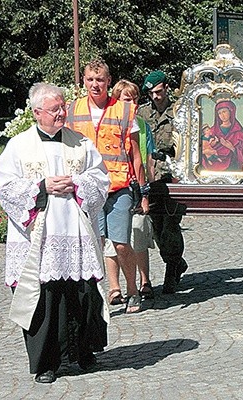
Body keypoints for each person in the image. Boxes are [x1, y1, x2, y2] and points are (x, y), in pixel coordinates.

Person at [0, 83, 110, 383]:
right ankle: (46, 363)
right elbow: (4, 185)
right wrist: (41, 187)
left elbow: (100, 178)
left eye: (63, 107)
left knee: (80, 294)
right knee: (43, 298)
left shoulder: (81, 144)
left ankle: (84, 352)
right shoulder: (19, 146)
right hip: (38, 237)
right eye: (55, 109)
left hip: (76, 234)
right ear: (37, 112)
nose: (62, 113)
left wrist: (79, 185)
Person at [65, 59, 149, 313]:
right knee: (94, 244)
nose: (94, 85)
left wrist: (143, 192)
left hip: (118, 186)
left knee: (121, 242)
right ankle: (103, 293)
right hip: (87, 189)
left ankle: (132, 289)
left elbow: (135, 154)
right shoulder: (72, 109)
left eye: (99, 80)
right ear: (83, 81)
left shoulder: (123, 111)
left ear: (108, 82)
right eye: (90, 79)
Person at [103, 79, 156, 309]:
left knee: (137, 236)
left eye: (135, 99)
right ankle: (114, 286)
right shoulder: (112, 119)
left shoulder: (141, 124)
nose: (132, 103)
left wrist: (145, 190)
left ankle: (143, 281)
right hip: (113, 184)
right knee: (113, 241)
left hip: (134, 183)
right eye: (127, 99)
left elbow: (144, 157)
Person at [138, 70, 188, 294]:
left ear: (167, 88)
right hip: (151, 178)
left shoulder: (181, 111)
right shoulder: (143, 113)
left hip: (171, 177)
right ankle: (175, 261)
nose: (155, 97)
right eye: (151, 93)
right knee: (156, 228)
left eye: (159, 92)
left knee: (170, 225)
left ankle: (172, 265)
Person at [201, 99, 243, 171]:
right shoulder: (212, 131)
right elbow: (204, 146)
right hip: (213, 164)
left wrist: (232, 148)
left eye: (224, 112)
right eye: (219, 113)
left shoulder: (238, 131)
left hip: (232, 166)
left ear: (230, 112)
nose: (222, 115)